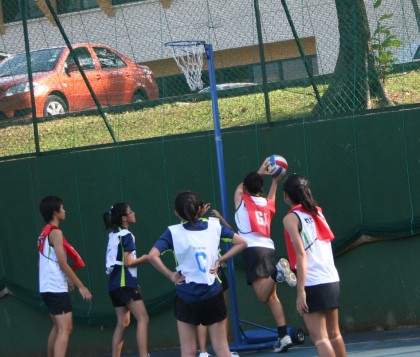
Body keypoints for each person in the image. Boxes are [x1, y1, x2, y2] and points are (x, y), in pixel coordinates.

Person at [148, 191, 247, 357]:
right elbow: (242, 242)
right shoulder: (214, 226)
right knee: (222, 348)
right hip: (213, 292)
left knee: (188, 350)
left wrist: (171, 275)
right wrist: (219, 260)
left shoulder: (173, 232)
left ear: (177, 213)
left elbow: (152, 255)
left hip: (187, 295)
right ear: (201, 209)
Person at [234, 158, 296, 353]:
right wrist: (275, 181)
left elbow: (240, 188)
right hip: (268, 249)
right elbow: (271, 197)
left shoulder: (242, 200)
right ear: (261, 188)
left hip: (253, 250)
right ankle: (283, 336)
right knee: (272, 298)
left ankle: (276, 272)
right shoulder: (267, 204)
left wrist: (260, 172)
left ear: (245, 187)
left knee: (262, 297)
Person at [282, 174, 346, 357]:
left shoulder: (291, 218)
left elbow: (301, 254)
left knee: (320, 338)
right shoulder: (317, 211)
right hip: (331, 278)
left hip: (312, 281)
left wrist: (300, 290)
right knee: (334, 334)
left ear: (286, 195)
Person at [38, 195, 92, 357]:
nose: (64, 211)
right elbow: (62, 263)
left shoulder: (44, 233)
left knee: (57, 327)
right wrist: (81, 286)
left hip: (47, 285)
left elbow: (46, 262)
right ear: (55, 212)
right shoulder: (55, 233)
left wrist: (66, 278)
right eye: (62, 208)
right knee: (65, 328)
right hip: (54, 287)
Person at [104, 203, 150, 357]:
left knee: (122, 323)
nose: (134, 213)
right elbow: (128, 262)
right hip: (124, 282)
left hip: (114, 284)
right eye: (131, 212)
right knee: (143, 318)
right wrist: (145, 258)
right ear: (124, 218)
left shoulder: (113, 234)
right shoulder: (127, 235)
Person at [196, 208, 238, 357]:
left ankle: (206, 351)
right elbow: (234, 235)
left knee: (213, 311)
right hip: (212, 271)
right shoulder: (211, 225)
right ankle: (206, 351)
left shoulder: (185, 229)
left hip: (208, 273)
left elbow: (230, 232)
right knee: (218, 312)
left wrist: (219, 217)